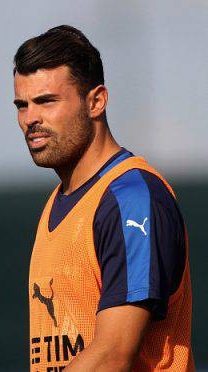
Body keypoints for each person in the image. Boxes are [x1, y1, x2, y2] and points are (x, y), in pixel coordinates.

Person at [12, 25, 194, 371]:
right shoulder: (56, 204)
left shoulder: (133, 198)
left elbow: (112, 356)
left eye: (46, 101)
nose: (30, 118)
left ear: (96, 101)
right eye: (23, 105)